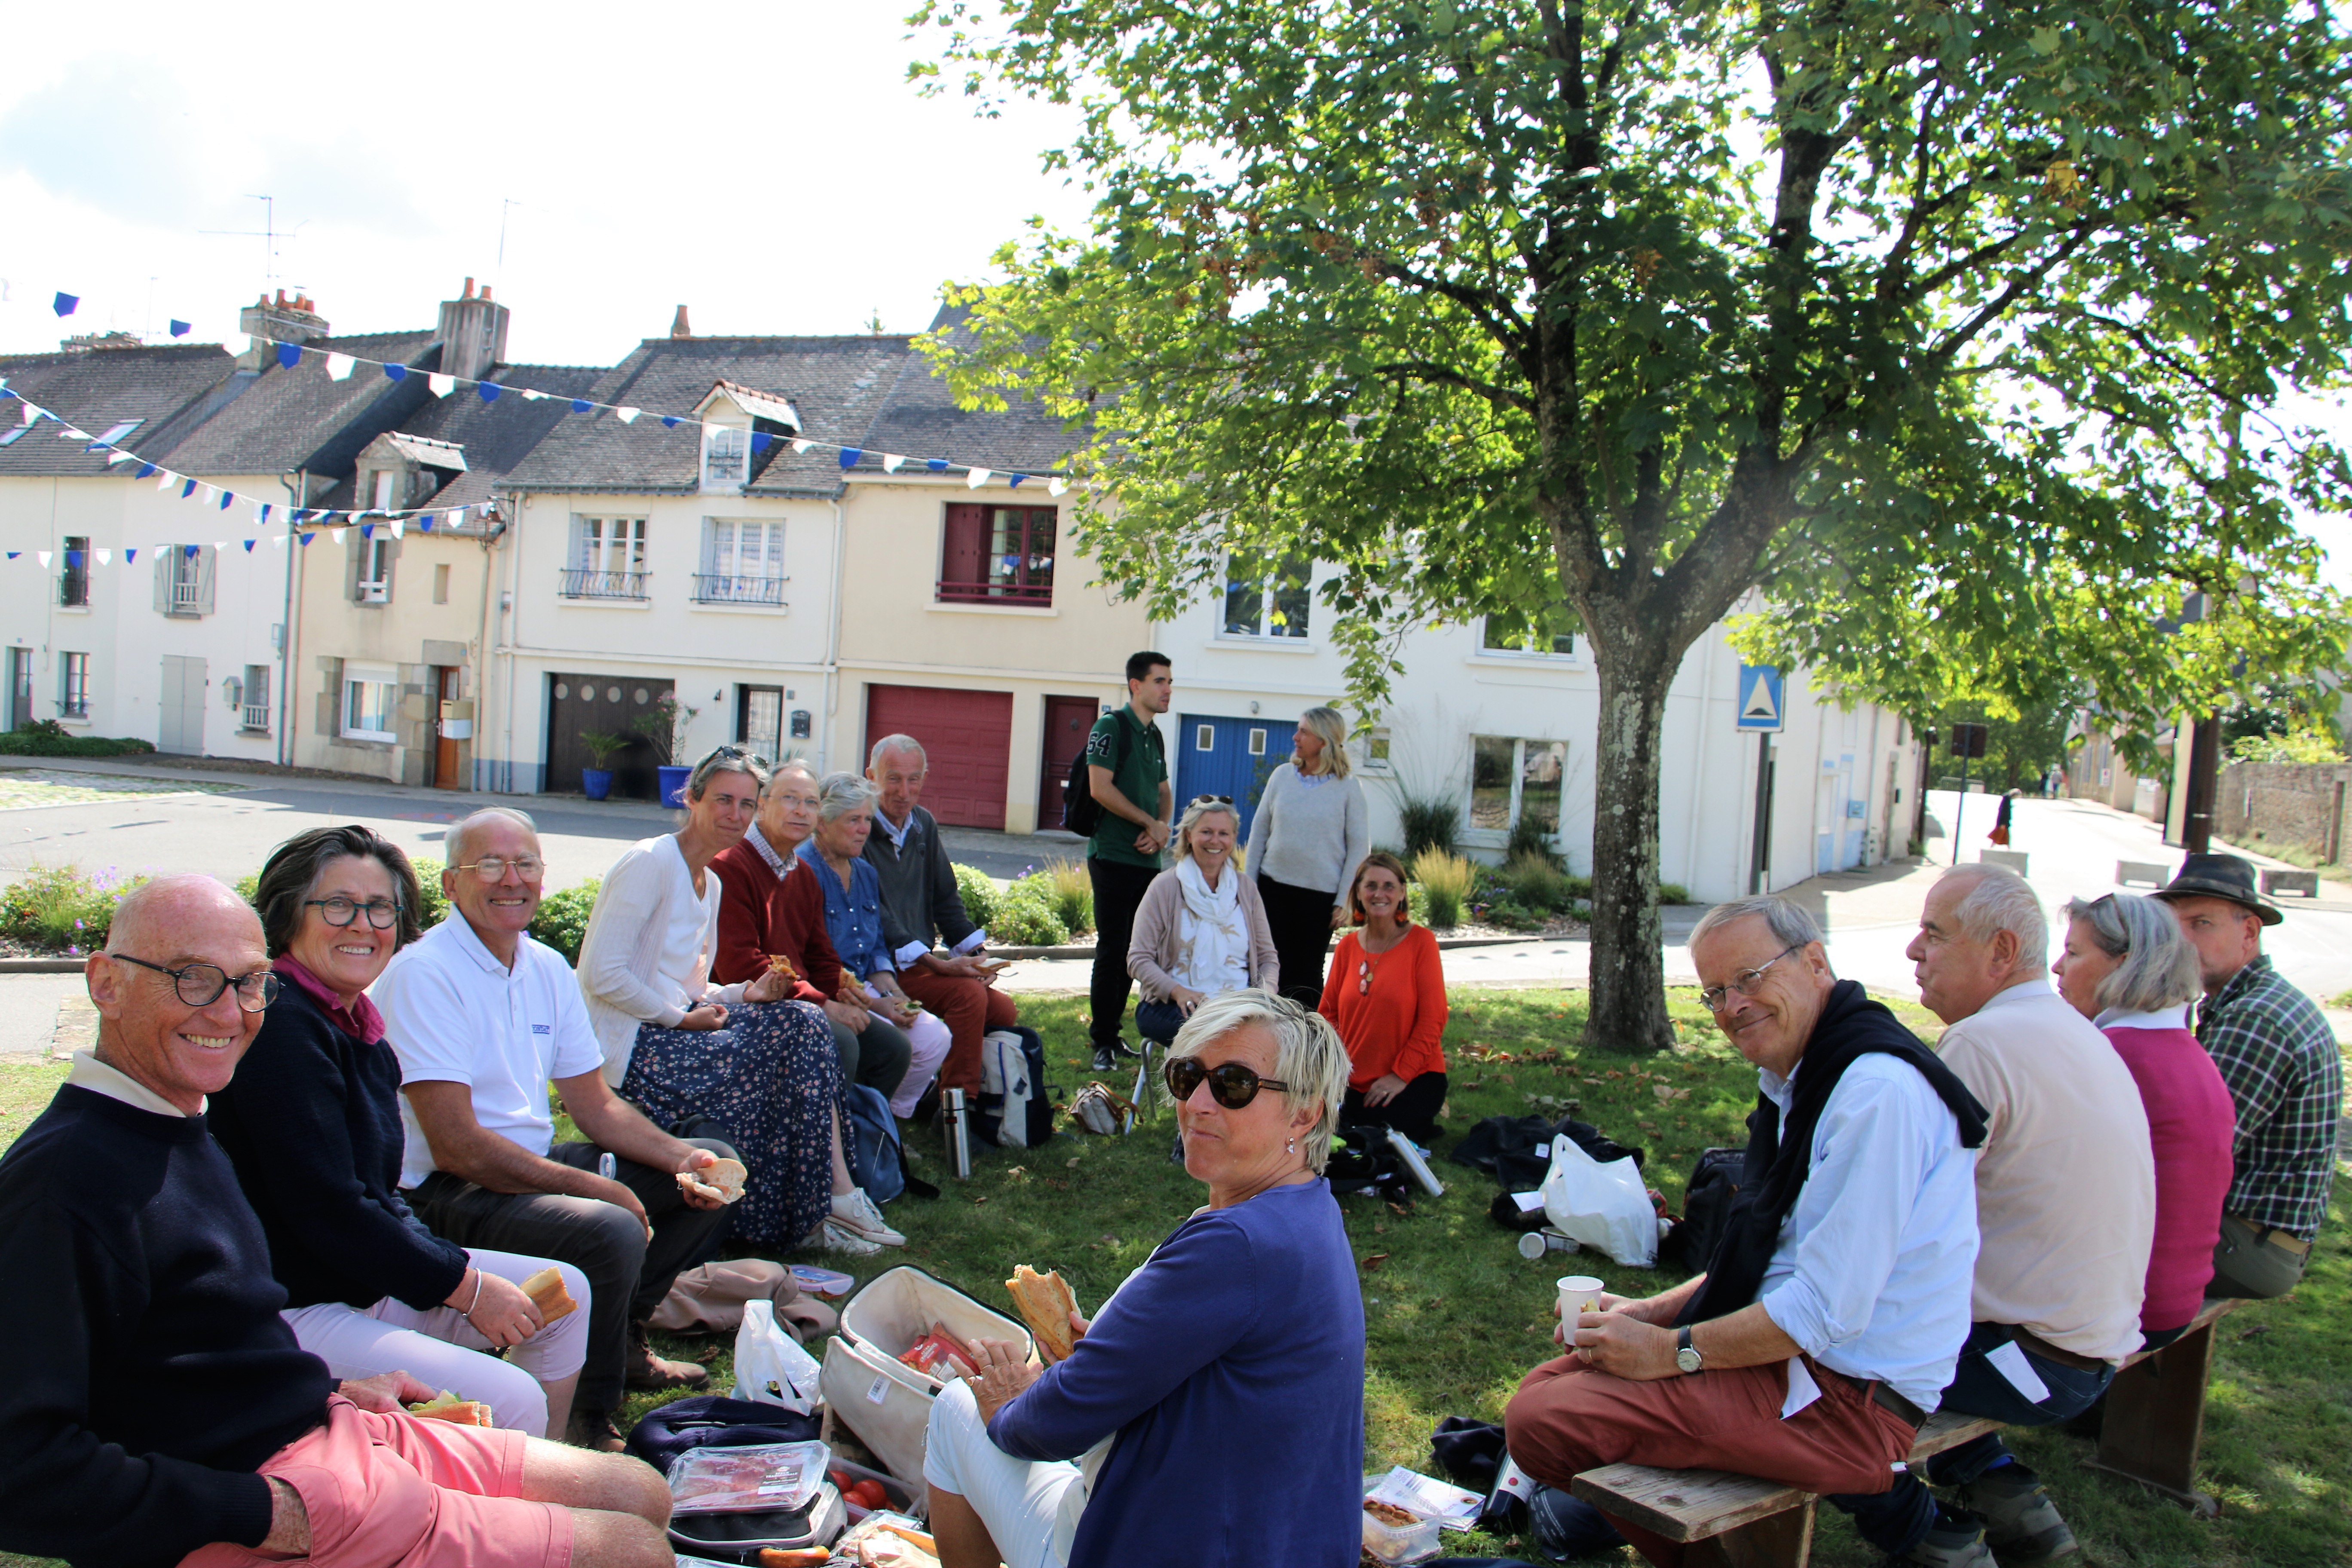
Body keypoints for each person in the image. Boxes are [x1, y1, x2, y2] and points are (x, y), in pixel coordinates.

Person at [0, 874, 675, 1568]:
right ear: (106, 983)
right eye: (192, 978)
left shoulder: (177, 1120)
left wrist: (332, 1391)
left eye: (250, 982)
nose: (230, 1012)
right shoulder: (63, 1186)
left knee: (641, 1491)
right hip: (267, 1499)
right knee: (634, 1553)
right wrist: (262, 1513)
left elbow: (201, 1350)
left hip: (325, 1432)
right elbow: (19, 1470)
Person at [1504, 895, 1987, 1568]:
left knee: (1545, 1421)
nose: (1732, 1007)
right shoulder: (1806, 1076)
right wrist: (1645, 1314)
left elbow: (1822, 1310)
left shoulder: (1874, 1094)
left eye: (1749, 978)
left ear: (1814, 962)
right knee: (1547, 1388)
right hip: (1808, 1366)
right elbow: (1771, 1261)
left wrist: (1669, 1350)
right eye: (1715, 994)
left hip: (1852, 1404)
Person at [923, 990, 1363, 1568]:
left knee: (955, 1408)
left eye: (1233, 1085)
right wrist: (1113, 1358)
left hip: (1168, 1545)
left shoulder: (1235, 1244)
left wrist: (1006, 1405)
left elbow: (1048, 1430)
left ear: (1305, 1113)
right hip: (1276, 1538)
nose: (1198, 1104)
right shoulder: (1309, 1209)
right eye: (1187, 1076)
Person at [377, 806, 739, 1452]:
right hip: (442, 1190)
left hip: (520, 1167)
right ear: (451, 884)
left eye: (525, 863)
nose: (511, 879)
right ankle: (585, 1422)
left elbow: (595, 1105)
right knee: (610, 1226)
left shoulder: (544, 965)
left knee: (712, 1169)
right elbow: (458, 1147)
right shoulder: (424, 973)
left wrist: (683, 1159)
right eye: (490, 864)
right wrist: (598, 1188)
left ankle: (620, 1338)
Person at [211, 826, 591, 1440]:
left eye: (380, 908)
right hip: (288, 1306)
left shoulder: (356, 1026)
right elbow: (330, 1209)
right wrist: (464, 1287)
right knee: (512, 1396)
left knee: (567, 1295)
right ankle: (514, 1484)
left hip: (358, 1280)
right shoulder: (280, 1027)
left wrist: (448, 1275)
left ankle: (541, 1463)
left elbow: (380, 1197)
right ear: (289, 914)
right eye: (338, 905)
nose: (363, 925)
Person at [1835, 865, 2157, 1567]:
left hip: (2030, 1358)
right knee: (1892, 1334)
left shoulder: (1982, 1044)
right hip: (2086, 1351)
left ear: (2001, 951)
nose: (1914, 950)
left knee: (1801, 1364)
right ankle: (2010, 1497)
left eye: (1934, 934)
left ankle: (1928, 1534)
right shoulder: (2073, 1030)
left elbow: (1885, 1214)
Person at [576, 748, 901, 1256]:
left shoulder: (709, 881)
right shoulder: (650, 862)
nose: (736, 814)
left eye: (746, 804)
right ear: (692, 798)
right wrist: (680, 1019)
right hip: (633, 1047)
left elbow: (690, 986)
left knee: (801, 1022)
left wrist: (743, 994)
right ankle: (829, 1200)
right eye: (724, 800)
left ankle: (819, 1203)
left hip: (673, 1031)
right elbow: (602, 975)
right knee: (803, 1029)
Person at [2154, 851, 2342, 1299]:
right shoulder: (2250, 1001)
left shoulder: (2254, 1019)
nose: (2182, 941)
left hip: (2249, 1244)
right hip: (2251, 1236)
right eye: (2174, 926)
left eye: (2202, 924)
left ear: (2250, 933)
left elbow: (2189, 1154)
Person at [2054, 891, 2234, 1347]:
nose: (2057, 967)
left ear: (2123, 964)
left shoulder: (2115, 1055)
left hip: (2129, 1306)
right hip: (2177, 1297)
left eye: (2074, 953)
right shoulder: (2188, 1051)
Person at [710, 758, 915, 1102]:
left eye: (810, 802)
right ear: (763, 805)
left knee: (893, 1049)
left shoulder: (802, 874)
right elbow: (740, 967)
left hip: (797, 1002)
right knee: (842, 1041)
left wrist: (846, 990)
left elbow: (820, 955)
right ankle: (816, 1132)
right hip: (749, 1004)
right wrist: (823, 1005)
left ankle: (856, 1129)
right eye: (790, 799)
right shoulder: (731, 865)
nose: (801, 811)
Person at [864, 733, 1022, 1097]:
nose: (904, 792)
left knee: (1003, 1011)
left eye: (913, 779)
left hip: (919, 965)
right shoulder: (860, 827)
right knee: (967, 997)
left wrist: (977, 956)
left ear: (925, 778)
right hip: (881, 969)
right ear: (871, 776)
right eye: (893, 779)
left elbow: (946, 899)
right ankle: (958, 1105)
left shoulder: (923, 823)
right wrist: (937, 965)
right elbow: (878, 918)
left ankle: (946, 1090)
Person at [797, 772, 952, 1117]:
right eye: (853, 820)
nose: (864, 830)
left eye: (868, 820)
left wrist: (895, 996)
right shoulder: (803, 870)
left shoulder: (865, 872)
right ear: (822, 822)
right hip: (826, 992)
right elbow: (809, 959)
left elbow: (877, 948)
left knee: (935, 1037)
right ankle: (860, 1122)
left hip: (866, 986)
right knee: (889, 1043)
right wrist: (877, 1005)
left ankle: (889, 1117)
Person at [1126, 796, 1279, 1048]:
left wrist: (1266, 996)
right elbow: (1138, 959)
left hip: (1238, 1005)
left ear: (1233, 838)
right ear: (1189, 835)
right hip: (1173, 1005)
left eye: (1224, 834)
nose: (1215, 841)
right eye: (1206, 832)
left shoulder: (1246, 889)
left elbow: (1267, 958)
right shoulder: (1165, 887)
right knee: (1217, 1036)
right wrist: (1178, 992)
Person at [1317, 851, 1447, 1144]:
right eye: (1371, 886)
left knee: (1377, 1139)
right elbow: (1328, 1015)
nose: (1380, 894)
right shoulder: (1347, 947)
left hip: (1412, 1078)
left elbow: (1434, 1019)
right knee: (1336, 1135)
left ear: (1402, 893)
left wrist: (1400, 1075)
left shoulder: (1421, 943)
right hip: (1352, 1081)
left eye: (1389, 886)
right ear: (1358, 893)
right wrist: (1336, 1070)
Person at [1244, 705, 1370, 1007]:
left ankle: (1307, 1033)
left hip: (1319, 899)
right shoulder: (1282, 776)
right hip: (1272, 890)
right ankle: (1264, 1028)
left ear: (1324, 741)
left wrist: (1344, 900)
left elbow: (1359, 848)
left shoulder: (1349, 788)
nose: (1296, 737)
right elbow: (1259, 833)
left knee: (1307, 975)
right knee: (1268, 968)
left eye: (1304, 731)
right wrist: (1248, 887)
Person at [1084, 651, 1173, 1071]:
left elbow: (1164, 792)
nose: (1167, 690)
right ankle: (1102, 1040)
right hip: (1112, 856)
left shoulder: (1154, 735)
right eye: (1160, 681)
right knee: (1113, 950)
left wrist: (1161, 826)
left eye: (1170, 682)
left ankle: (1115, 1034)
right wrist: (1147, 822)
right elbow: (1099, 788)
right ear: (1136, 686)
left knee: (1136, 952)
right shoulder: (1110, 727)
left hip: (1146, 863)